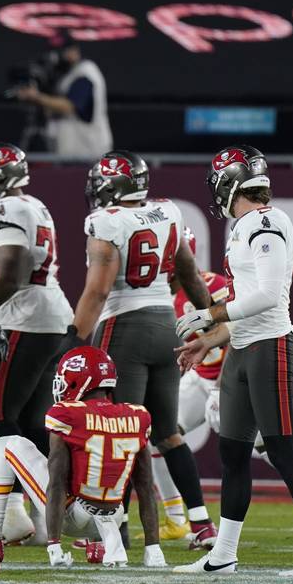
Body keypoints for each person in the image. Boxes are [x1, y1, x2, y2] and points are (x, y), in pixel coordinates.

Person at [174, 145, 293, 577]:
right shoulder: (248, 224)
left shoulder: (266, 223)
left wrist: (209, 313)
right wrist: (209, 339)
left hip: (270, 349)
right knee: (231, 453)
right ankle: (224, 553)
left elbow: (267, 297)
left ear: (230, 183)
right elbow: (248, 301)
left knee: (285, 452)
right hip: (243, 349)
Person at [158, 228, 293, 544]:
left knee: (273, 450)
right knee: (161, 433)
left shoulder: (213, 287)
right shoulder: (163, 293)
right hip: (202, 377)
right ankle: (178, 518)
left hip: (231, 373)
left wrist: (223, 384)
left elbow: (240, 331)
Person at [70, 150, 217, 549]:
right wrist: (207, 325)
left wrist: (73, 341)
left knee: (117, 433)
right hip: (165, 326)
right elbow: (188, 273)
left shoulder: (107, 220)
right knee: (168, 434)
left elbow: (98, 290)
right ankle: (202, 524)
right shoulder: (168, 213)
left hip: (125, 328)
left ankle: (114, 532)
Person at [0, 346, 164, 571]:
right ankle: (98, 544)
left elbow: (57, 483)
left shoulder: (67, 414)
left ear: (79, 380)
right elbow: (146, 486)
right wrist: (153, 548)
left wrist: (54, 544)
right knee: (96, 468)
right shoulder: (137, 415)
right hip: (116, 514)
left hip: (75, 517)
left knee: (6, 443)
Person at [0, 143, 73, 543]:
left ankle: (13, 512)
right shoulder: (34, 204)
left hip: (23, 320)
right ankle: (43, 513)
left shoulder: (7, 209)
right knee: (35, 424)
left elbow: (9, 277)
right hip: (49, 318)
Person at [14, 40, 112, 158]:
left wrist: (36, 97)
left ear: (75, 51)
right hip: (74, 148)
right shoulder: (68, 74)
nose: (59, 57)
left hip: (87, 149)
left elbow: (69, 107)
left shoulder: (84, 72)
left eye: (63, 52)